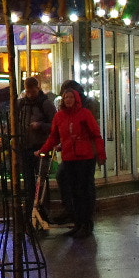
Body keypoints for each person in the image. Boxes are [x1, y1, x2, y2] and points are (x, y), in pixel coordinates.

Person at [40, 80, 103, 238]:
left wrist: (100, 154)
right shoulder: (60, 116)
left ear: (76, 97)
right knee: (75, 189)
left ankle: (84, 223)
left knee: (83, 190)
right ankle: (77, 221)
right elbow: (54, 136)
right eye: (64, 97)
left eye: (70, 96)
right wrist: (43, 150)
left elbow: (95, 134)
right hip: (70, 157)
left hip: (84, 156)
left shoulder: (85, 112)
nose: (67, 99)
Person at [15, 77, 56, 176]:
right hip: (25, 145)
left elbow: (55, 125)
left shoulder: (45, 104)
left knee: (41, 176)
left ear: (38, 88)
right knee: (28, 176)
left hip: (40, 145)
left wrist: (40, 125)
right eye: (27, 91)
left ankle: (39, 191)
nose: (30, 94)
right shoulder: (21, 104)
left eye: (32, 91)